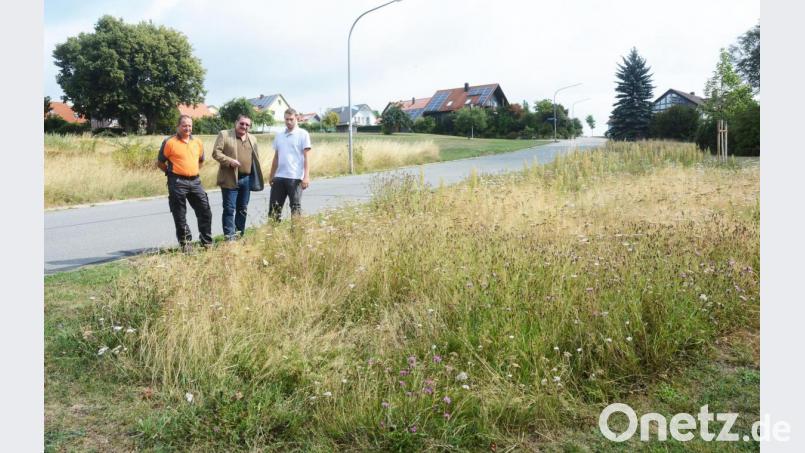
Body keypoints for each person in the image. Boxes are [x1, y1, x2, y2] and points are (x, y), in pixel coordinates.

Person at [157, 114, 213, 251]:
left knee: (205, 211)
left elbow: (201, 161)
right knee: (180, 214)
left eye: (189, 125)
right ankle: (186, 245)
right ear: (178, 126)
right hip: (177, 182)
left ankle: (206, 242)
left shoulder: (197, 142)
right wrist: (171, 173)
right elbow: (160, 162)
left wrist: (193, 172)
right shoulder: (169, 142)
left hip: (195, 181)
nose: (187, 128)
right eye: (184, 125)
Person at [212, 114, 263, 240]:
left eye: (247, 124)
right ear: (236, 122)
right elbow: (216, 153)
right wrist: (229, 161)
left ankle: (239, 235)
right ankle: (229, 238)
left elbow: (255, 158)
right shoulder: (224, 134)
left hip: (246, 179)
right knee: (229, 209)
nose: (244, 126)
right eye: (242, 123)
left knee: (242, 209)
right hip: (230, 179)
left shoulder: (253, 138)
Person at [268, 108, 312, 221]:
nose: (289, 122)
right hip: (279, 178)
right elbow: (276, 157)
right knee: (274, 208)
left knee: (295, 208)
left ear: (296, 118)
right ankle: (272, 234)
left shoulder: (303, 134)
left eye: (291, 119)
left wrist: (306, 177)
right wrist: (272, 175)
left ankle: (296, 235)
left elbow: (307, 157)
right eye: (286, 119)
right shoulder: (279, 135)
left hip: (295, 178)